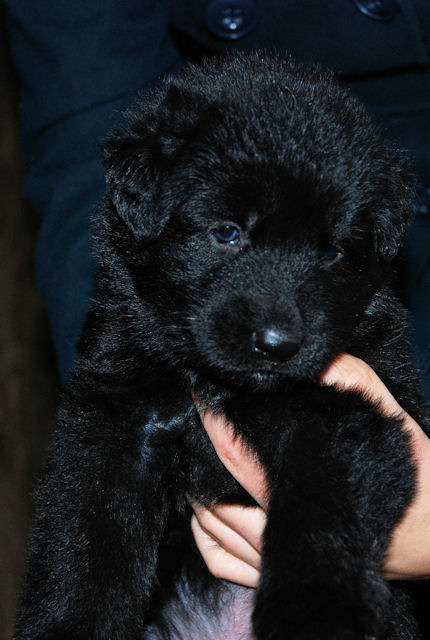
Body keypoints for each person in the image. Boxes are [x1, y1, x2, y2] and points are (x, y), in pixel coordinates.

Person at [5, 0, 430, 591]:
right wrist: (130, 405)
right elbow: (87, 117)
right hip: (202, 174)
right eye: (230, 234)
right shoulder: (174, 151)